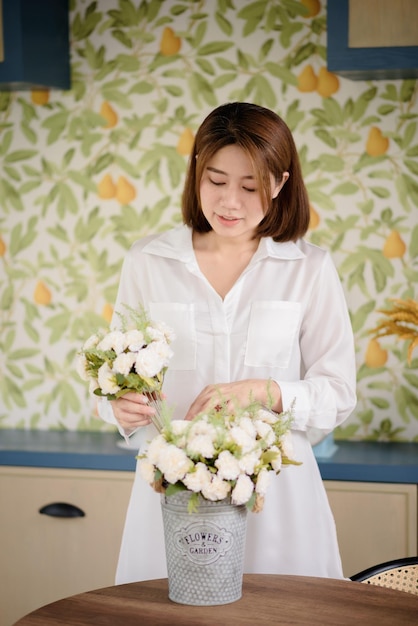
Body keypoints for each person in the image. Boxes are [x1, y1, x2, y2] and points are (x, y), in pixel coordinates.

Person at [98, 101, 357, 583]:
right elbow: (116, 379)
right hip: (174, 490)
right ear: (197, 172)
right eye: (216, 181)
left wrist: (263, 391)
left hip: (277, 500)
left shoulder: (309, 268)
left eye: (250, 186)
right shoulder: (148, 262)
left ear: (280, 184)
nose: (229, 202)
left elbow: (339, 393)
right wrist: (120, 407)